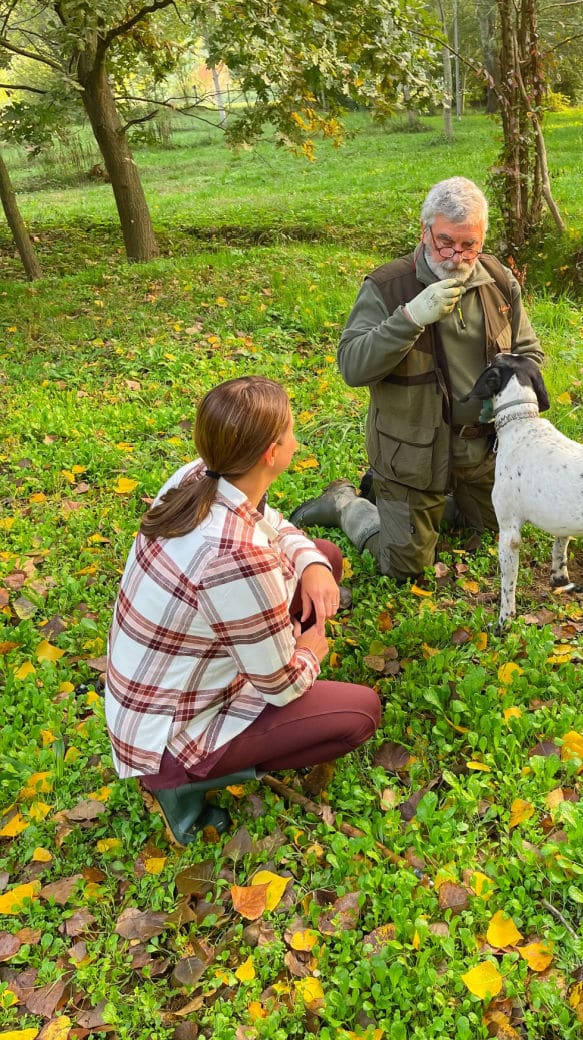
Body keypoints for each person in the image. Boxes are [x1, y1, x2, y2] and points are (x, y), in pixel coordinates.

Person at [105, 376, 381, 846]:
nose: (298, 437)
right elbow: (279, 685)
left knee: (325, 556)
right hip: (170, 738)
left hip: (152, 695)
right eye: (291, 430)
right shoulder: (237, 559)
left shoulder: (201, 474)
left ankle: (285, 623)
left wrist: (312, 564)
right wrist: (309, 649)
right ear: (271, 453)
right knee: (361, 713)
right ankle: (181, 790)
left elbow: (270, 521)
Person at [291, 177, 545, 580]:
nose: (457, 255)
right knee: (405, 567)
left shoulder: (497, 280)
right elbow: (353, 367)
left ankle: (404, 500)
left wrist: (504, 394)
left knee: (498, 531)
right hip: (412, 455)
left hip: (481, 453)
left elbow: (530, 354)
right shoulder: (388, 286)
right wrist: (409, 319)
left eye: (469, 245)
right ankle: (346, 504)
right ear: (424, 231)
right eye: (445, 241)